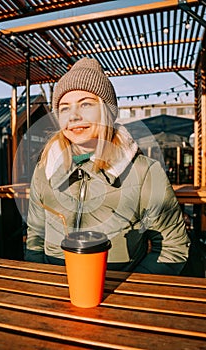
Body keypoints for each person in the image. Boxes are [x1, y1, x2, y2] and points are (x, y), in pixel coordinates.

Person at [25, 57, 190, 275]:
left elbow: (172, 248)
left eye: (85, 104)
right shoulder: (45, 168)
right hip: (54, 293)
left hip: (117, 296)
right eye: (64, 108)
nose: (74, 116)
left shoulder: (144, 171)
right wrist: (42, 279)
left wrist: (127, 293)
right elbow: (36, 234)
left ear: (107, 112)